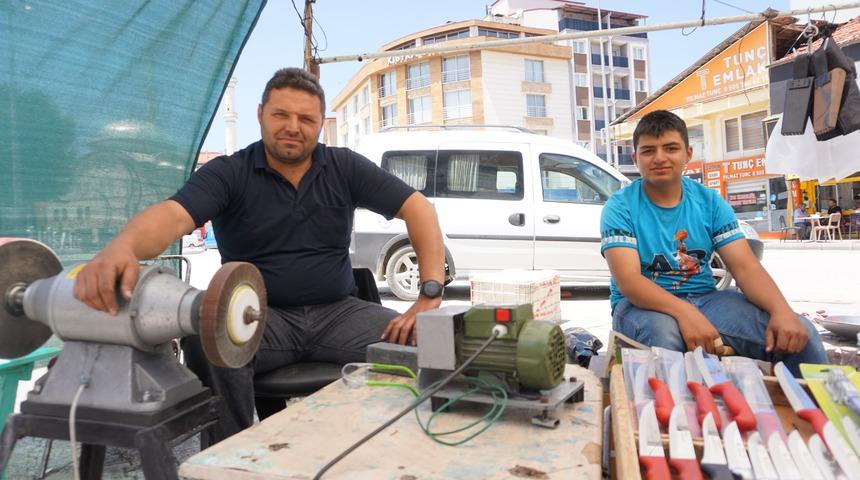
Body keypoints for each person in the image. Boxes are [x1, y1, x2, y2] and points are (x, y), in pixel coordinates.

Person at [72, 68, 446, 444]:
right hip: (257, 317)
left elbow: (419, 210)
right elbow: (173, 215)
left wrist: (429, 295)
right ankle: (228, 457)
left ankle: (406, 450)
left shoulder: (344, 166)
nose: (293, 127)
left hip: (339, 313)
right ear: (260, 115)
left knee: (436, 342)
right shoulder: (229, 173)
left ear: (320, 124)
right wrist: (122, 247)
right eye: (281, 115)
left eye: (306, 119)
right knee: (206, 339)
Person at [600, 110, 826, 375]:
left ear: (688, 154)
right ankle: (673, 416)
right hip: (639, 306)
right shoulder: (620, 206)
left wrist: (782, 310)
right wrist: (686, 313)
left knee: (802, 334)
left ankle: (820, 413)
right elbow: (629, 281)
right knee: (667, 341)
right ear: (635, 158)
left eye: (671, 148)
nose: (659, 158)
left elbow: (745, 268)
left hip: (707, 298)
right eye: (649, 151)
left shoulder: (710, 202)